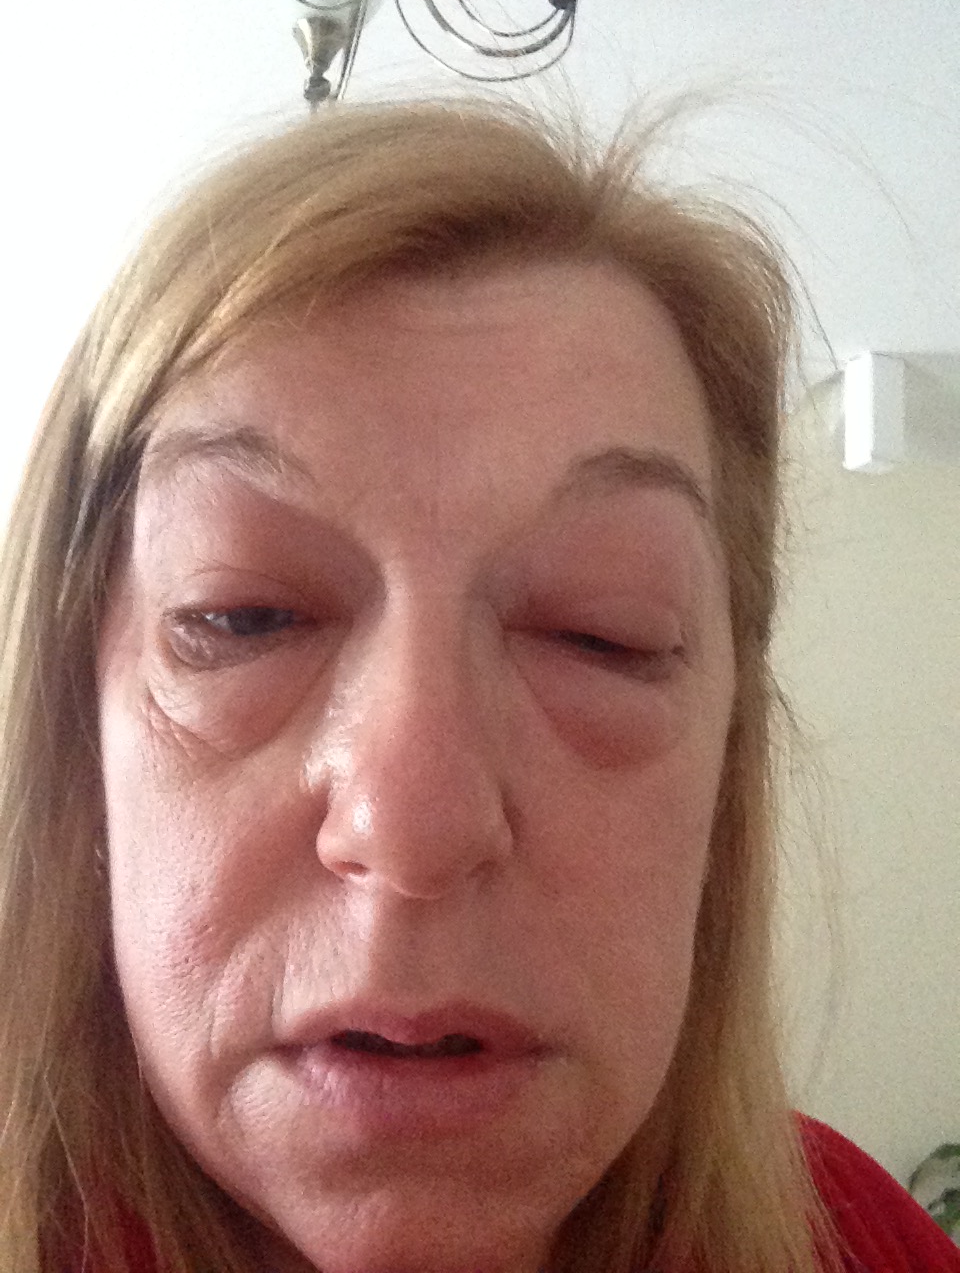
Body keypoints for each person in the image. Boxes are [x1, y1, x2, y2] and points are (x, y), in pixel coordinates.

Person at [0, 98, 956, 1273]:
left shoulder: (851, 1240)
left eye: (599, 633)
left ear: (728, 768)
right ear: (74, 741)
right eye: (244, 617)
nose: (415, 822)